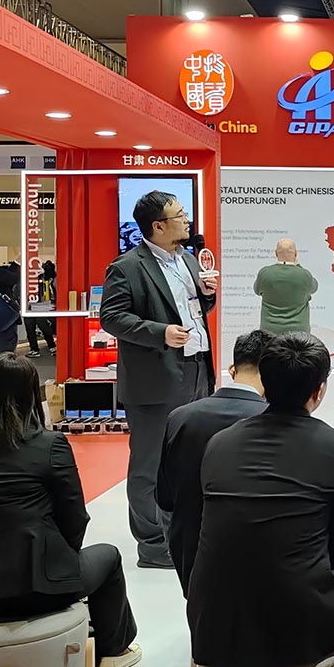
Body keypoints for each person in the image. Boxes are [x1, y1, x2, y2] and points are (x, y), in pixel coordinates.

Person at [187, 333, 334, 667]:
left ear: (264, 383)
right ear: (319, 391)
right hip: (299, 633)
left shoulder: (220, 443)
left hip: (212, 630)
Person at [0, 354, 141, 667]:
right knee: (109, 557)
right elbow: (75, 518)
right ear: (31, 395)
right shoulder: (49, 445)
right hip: (37, 590)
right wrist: (63, 561)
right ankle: (113, 652)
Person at [99, 191, 217, 569]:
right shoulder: (127, 267)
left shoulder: (188, 259)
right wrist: (159, 333)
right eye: (180, 216)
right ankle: (152, 546)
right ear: (158, 226)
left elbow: (194, 309)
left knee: (190, 456)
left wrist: (207, 295)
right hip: (154, 379)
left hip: (196, 368)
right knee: (150, 464)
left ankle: (183, 531)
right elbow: (111, 318)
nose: (187, 220)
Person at [157, 329, 272, 596]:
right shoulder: (274, 421)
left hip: (191, 551)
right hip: (258, 554)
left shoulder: (180, 418)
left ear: (232, 369)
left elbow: (164, 497)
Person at [253, 238, 318, 334]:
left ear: (276, 253)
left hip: (269, 332)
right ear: (296, 253)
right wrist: (298, 265)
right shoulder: (304, 274)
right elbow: (314, 288)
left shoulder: (265, 273)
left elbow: (257, 290)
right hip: (299, 333)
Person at [25, 261, 58, 357]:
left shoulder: (31, 278)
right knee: (42, 327)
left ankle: (36, 349)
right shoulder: (47, 278)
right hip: (40, 306)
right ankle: (50, 346)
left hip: (34, 306)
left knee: (34, 328)